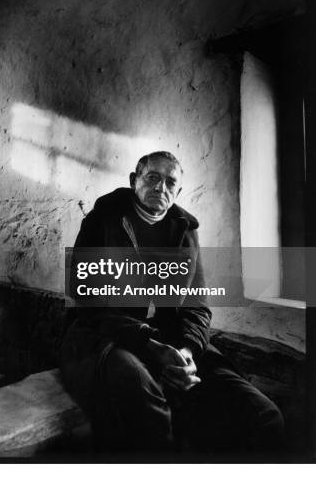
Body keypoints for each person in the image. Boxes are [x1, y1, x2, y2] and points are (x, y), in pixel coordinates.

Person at [60, 151, 284, 455]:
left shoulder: (184, 229)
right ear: (134, 180)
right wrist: (149, 344)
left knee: (261, 413)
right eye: (152, 177)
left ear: (178, 191)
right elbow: (88, 299)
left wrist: (188, 350)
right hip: (106, 336)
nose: (160, 187)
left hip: (172, 340)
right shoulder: (104, 218)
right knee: (142, 395)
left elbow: (197, 305)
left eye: (170, 182)